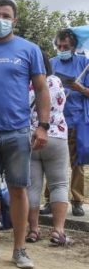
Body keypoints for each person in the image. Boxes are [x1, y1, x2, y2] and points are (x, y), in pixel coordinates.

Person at [0, 0, 49, 269]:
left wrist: (43, 125)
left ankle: (19, 249)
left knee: (18, 189)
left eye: (5, 16)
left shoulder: (29, 49)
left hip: (17, 131)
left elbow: (42, 89)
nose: (0, 20)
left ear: (15, 20)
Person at [27, 52, 71, 246]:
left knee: (32, 186)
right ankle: (58, 231)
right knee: (59, 184)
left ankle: (33, 230)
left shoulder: (25, 82)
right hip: (57, 136)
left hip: (30, 137)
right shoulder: (56, 81)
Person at [49, 28, 89, 217]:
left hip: (77, 118)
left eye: (66, 47)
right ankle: (50, 200)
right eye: (59, 46)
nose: (62, 49)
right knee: (51, 161)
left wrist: (79, 88)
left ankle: (77, 201)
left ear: (73, 47)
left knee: (77, 162)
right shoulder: (51, 63)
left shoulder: (84, 63)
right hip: (54, 119)